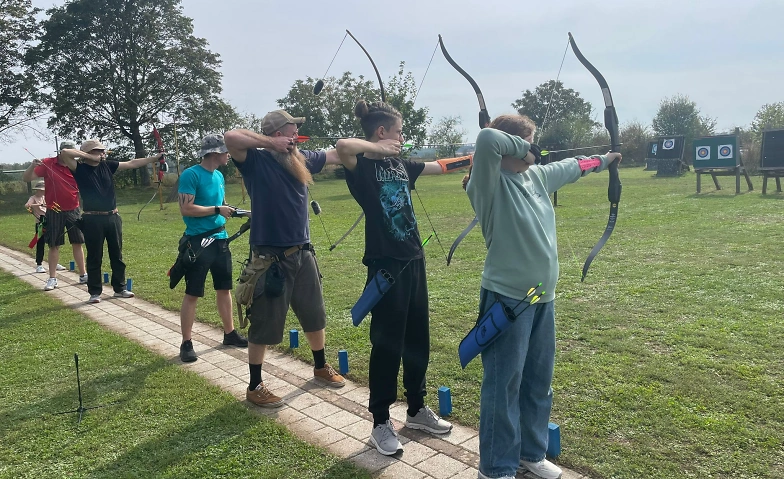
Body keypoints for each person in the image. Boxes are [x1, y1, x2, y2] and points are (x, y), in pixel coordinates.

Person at [465, 114, 621, 479]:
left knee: (538, 381)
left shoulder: (536, 176)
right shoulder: (487, 183)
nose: (535, 154)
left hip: (542, 299)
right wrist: (527, 147)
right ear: (514, 147)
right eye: (528, 145)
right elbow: (487, 138)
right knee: (503, 386)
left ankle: (530, 454)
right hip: (507, 300)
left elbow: (572, 167)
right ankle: (496, 468)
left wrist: (605, 160)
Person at [334, 100, 464, 457]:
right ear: (382, 133)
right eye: (399, 131)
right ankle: (380, 421)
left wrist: (480, 157)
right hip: (385, 265)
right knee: (388, 343)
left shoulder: (401, 164)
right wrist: (375, 149)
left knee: (417, 338)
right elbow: (343, 146)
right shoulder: (359, 165)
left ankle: (417, 409)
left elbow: (440, 166)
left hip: (413, 261)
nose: (403, 137)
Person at [224, 109, 346, 408]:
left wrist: (366, 145)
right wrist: (269, 144)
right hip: (270, 258)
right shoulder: (256, 160)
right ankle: (255, 385)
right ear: (277, 134)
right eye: (291, 132)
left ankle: (320, 366)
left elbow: (334, 155)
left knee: (314, 314)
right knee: (264, 323)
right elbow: (231, 137)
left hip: (303, 252)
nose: (296, 137)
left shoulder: (301, 158)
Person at [59, 139, 162, 303]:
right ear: (88, 153)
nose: (102, 153)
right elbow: (65, 153)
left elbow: (132, 163)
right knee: (94, 256)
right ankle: (95, 292)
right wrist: (88, 156)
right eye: (98, 151)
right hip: (92, 218)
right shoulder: (79, 168)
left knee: (117, 255)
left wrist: (154, 158)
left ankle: (119, 288)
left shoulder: (108, 165)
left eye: (102, 151)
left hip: (113, 217)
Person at [177, 134, 248, 362]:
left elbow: (220, 205)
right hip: (198, 242)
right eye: (226, 151)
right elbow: (186, 209)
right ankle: (186, 342)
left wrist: (234, 211)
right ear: (216, 153)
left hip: (221, 240)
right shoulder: (191, 174)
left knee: (224, 289)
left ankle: (229, 333)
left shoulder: (218, 175)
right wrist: (217, 209)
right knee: (192, 293)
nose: (229, 155)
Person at [22, 141, 88, 290]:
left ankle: (83, 275)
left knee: (77, 242)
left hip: (74, 209)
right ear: (61, 152)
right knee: (54, 245)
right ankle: (52, 278)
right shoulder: (48, 163)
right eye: (68, 153)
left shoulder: (76, 167)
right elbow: (26, 178)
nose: (71, 156)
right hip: (54, 210)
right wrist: (32, 165)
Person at [25, 180, 48, 273]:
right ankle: (39, 264)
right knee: (40, 243)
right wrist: (38, 204)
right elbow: (27, 205)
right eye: (41, 190)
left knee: (53, 243)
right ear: (37, 190)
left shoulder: (45, 197)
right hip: (40, 223)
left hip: (49, 221)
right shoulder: (33, 198)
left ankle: (54, 262)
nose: (42, 192)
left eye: (43, 190)